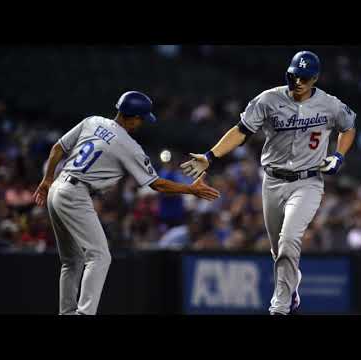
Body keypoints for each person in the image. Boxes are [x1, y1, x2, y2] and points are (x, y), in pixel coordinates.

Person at [180, 51, 357, 315]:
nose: (297, 81)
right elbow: (241, 130)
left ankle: (280, 307)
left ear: (315, 79)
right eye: (294, 75)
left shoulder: (329, 104)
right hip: (272, 182)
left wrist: (339, 156)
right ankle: (292, 284)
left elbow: (349, 126)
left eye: (304, 78)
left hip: (308, 182)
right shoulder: (268, 99)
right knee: (278, 250)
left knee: (288, 241)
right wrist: (210, 155)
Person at [33, 91, 220, 315]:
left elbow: (57, 148)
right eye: (141, 119)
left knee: (71, 260)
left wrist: (47, 180)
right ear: (131, 117)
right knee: (100, 256)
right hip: (76, 194)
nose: (141, 123)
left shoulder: (93, 121)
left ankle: (67, 312)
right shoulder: (128, 145)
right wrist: (190, 190)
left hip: (57, 187)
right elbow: (156, 184)